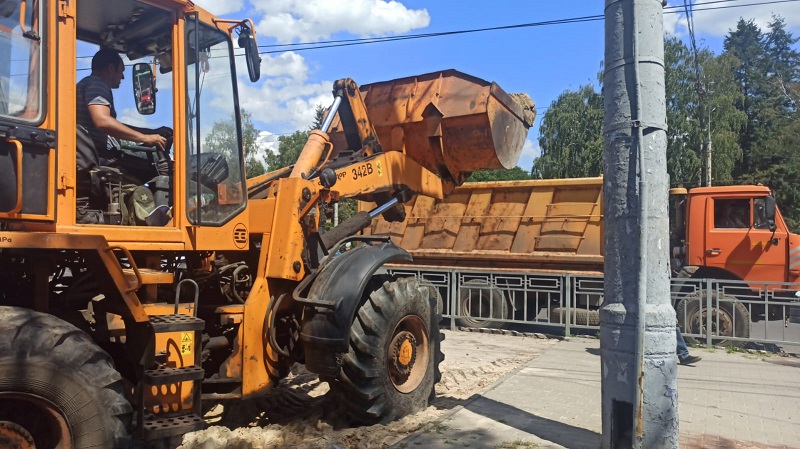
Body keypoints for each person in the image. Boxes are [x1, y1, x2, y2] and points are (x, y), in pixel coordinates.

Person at [76, 48, 171, 201]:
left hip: (97, 157)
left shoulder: (86, 84)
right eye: (121, 71)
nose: (123, 76)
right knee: (159, 175)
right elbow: (103, 121)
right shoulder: (98, 85)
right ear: (111, 68)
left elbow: (113, 124)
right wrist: (146, 139)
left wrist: (150, 132)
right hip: (102, 160)